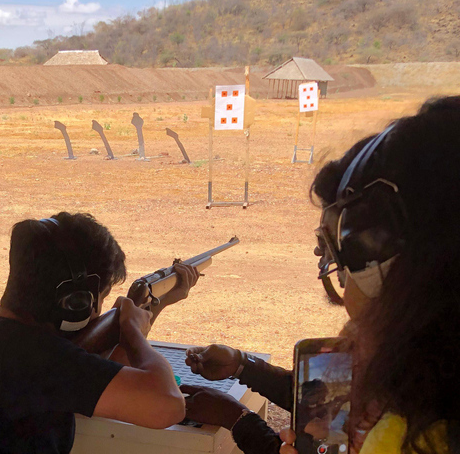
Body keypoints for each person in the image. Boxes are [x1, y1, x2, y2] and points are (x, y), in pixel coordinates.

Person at [183, 96, 460, 454]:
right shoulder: (423, 384)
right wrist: (244, 367)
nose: (346, 302)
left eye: (343, 273)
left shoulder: (407, 438)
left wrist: (238, 419)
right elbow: (335, 405)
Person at [0, 211, 198, 454]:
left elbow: (110, 376)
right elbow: (168, 406)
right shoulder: (39, 358)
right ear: (75, 302)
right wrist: (132, 330)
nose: (97, 311)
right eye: (99, 299)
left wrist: (156, 306)